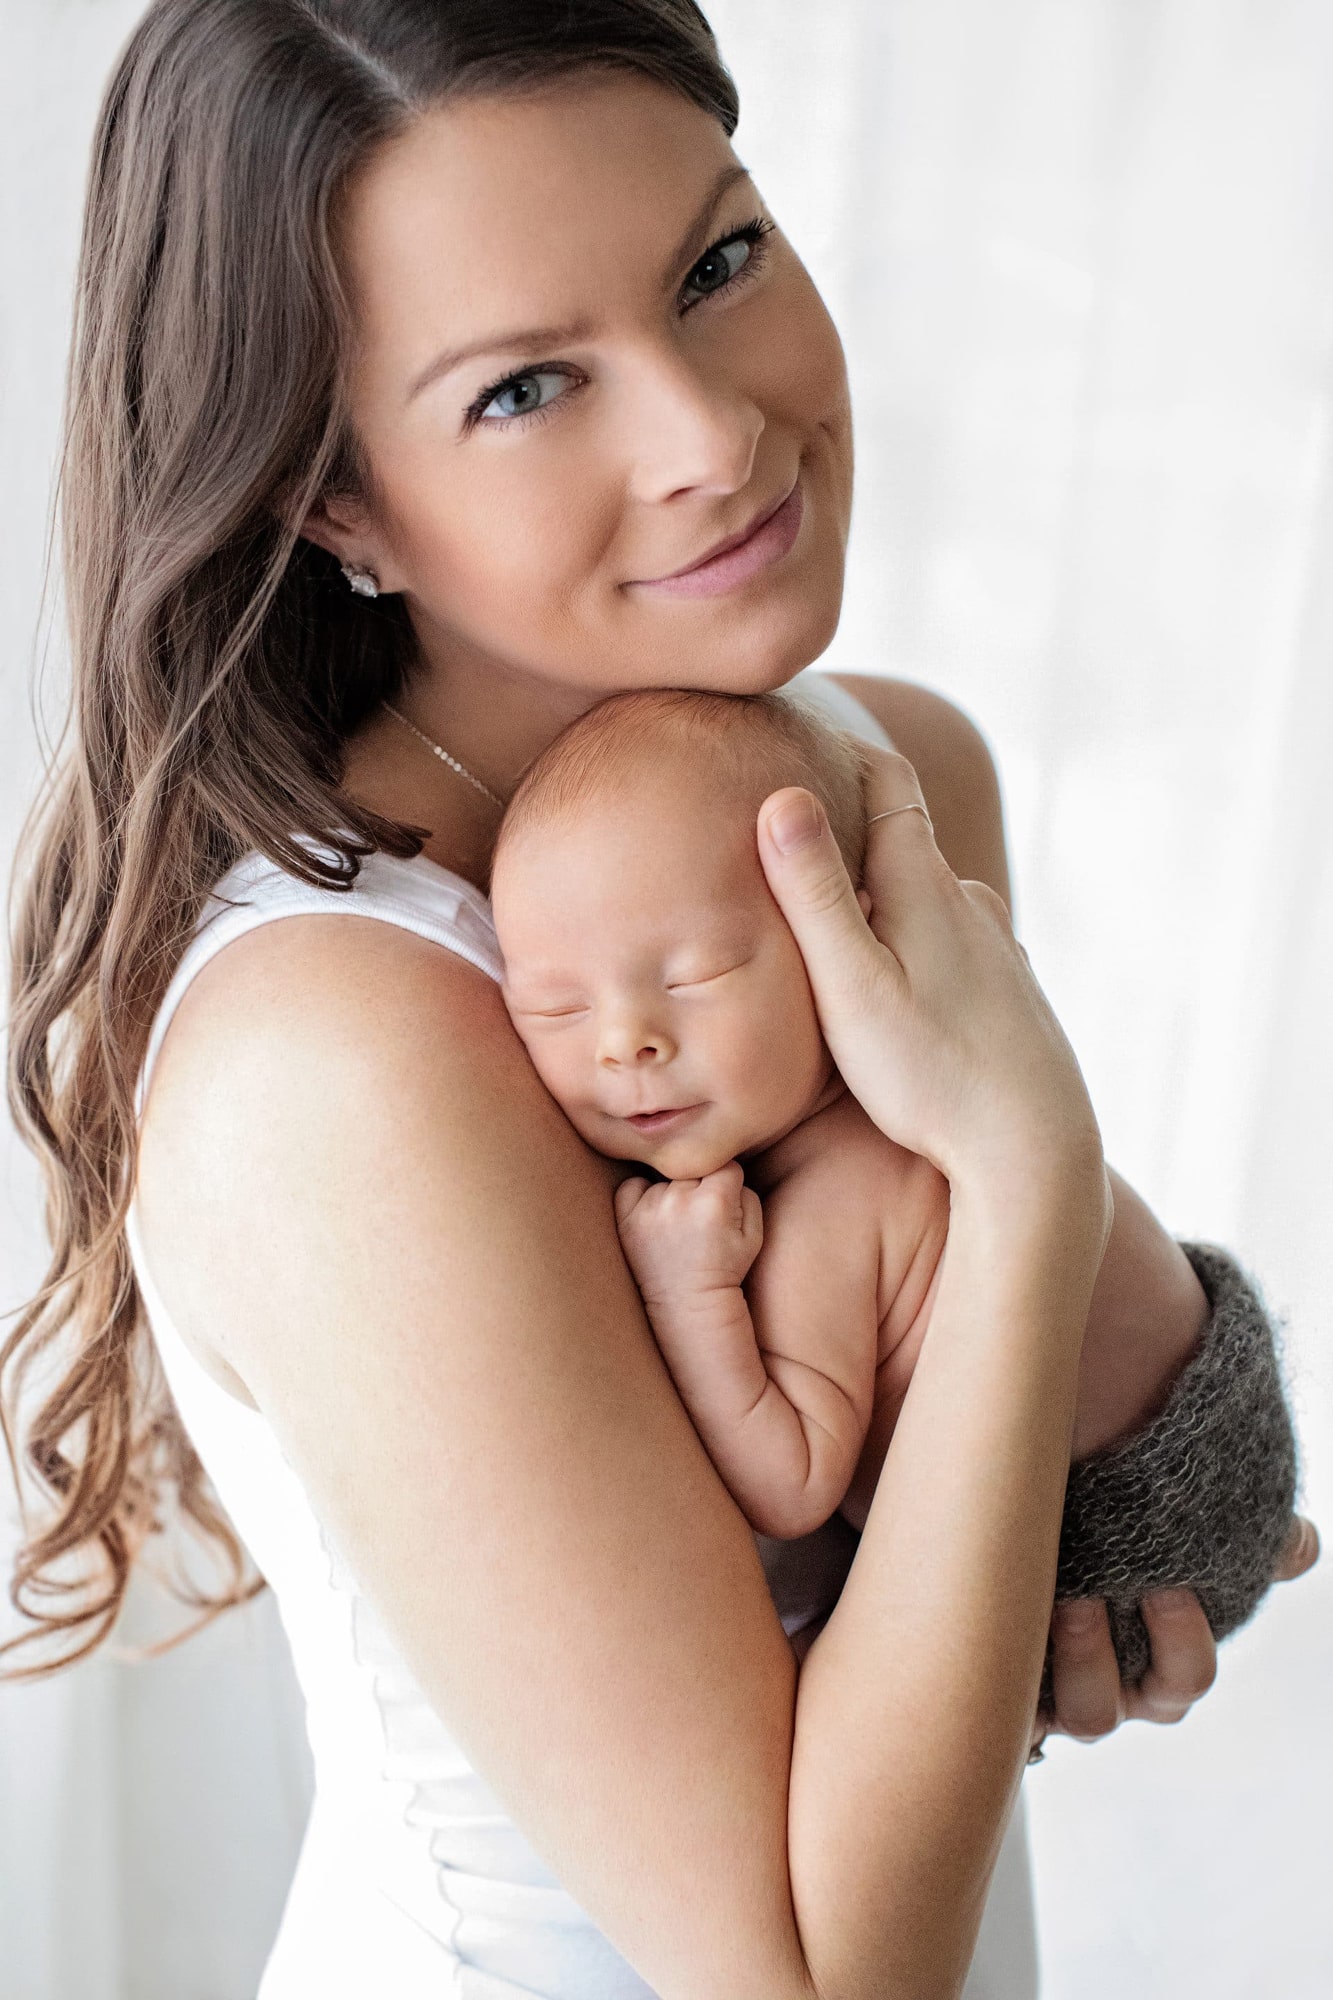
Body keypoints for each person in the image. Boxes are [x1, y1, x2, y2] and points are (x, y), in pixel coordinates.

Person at [2, 5, 1316, 1997]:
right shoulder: (343, 1051)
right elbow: (804, 1974)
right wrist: (1032, 1176)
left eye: (716, 263)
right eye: (527, 388)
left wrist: (1104, 1532)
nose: (711, 436)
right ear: (331, 502)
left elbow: (921, 1552)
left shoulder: (898, 770)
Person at [490, 684, 1300, 1688]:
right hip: (1218, 1433)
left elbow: (789, 1480)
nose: (624, 1041)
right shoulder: (953, 1055)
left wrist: (685, 1289)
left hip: (1113, 1545)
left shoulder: (843, 1195)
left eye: (694, 978)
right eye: (555, 1006)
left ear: (849, 940)